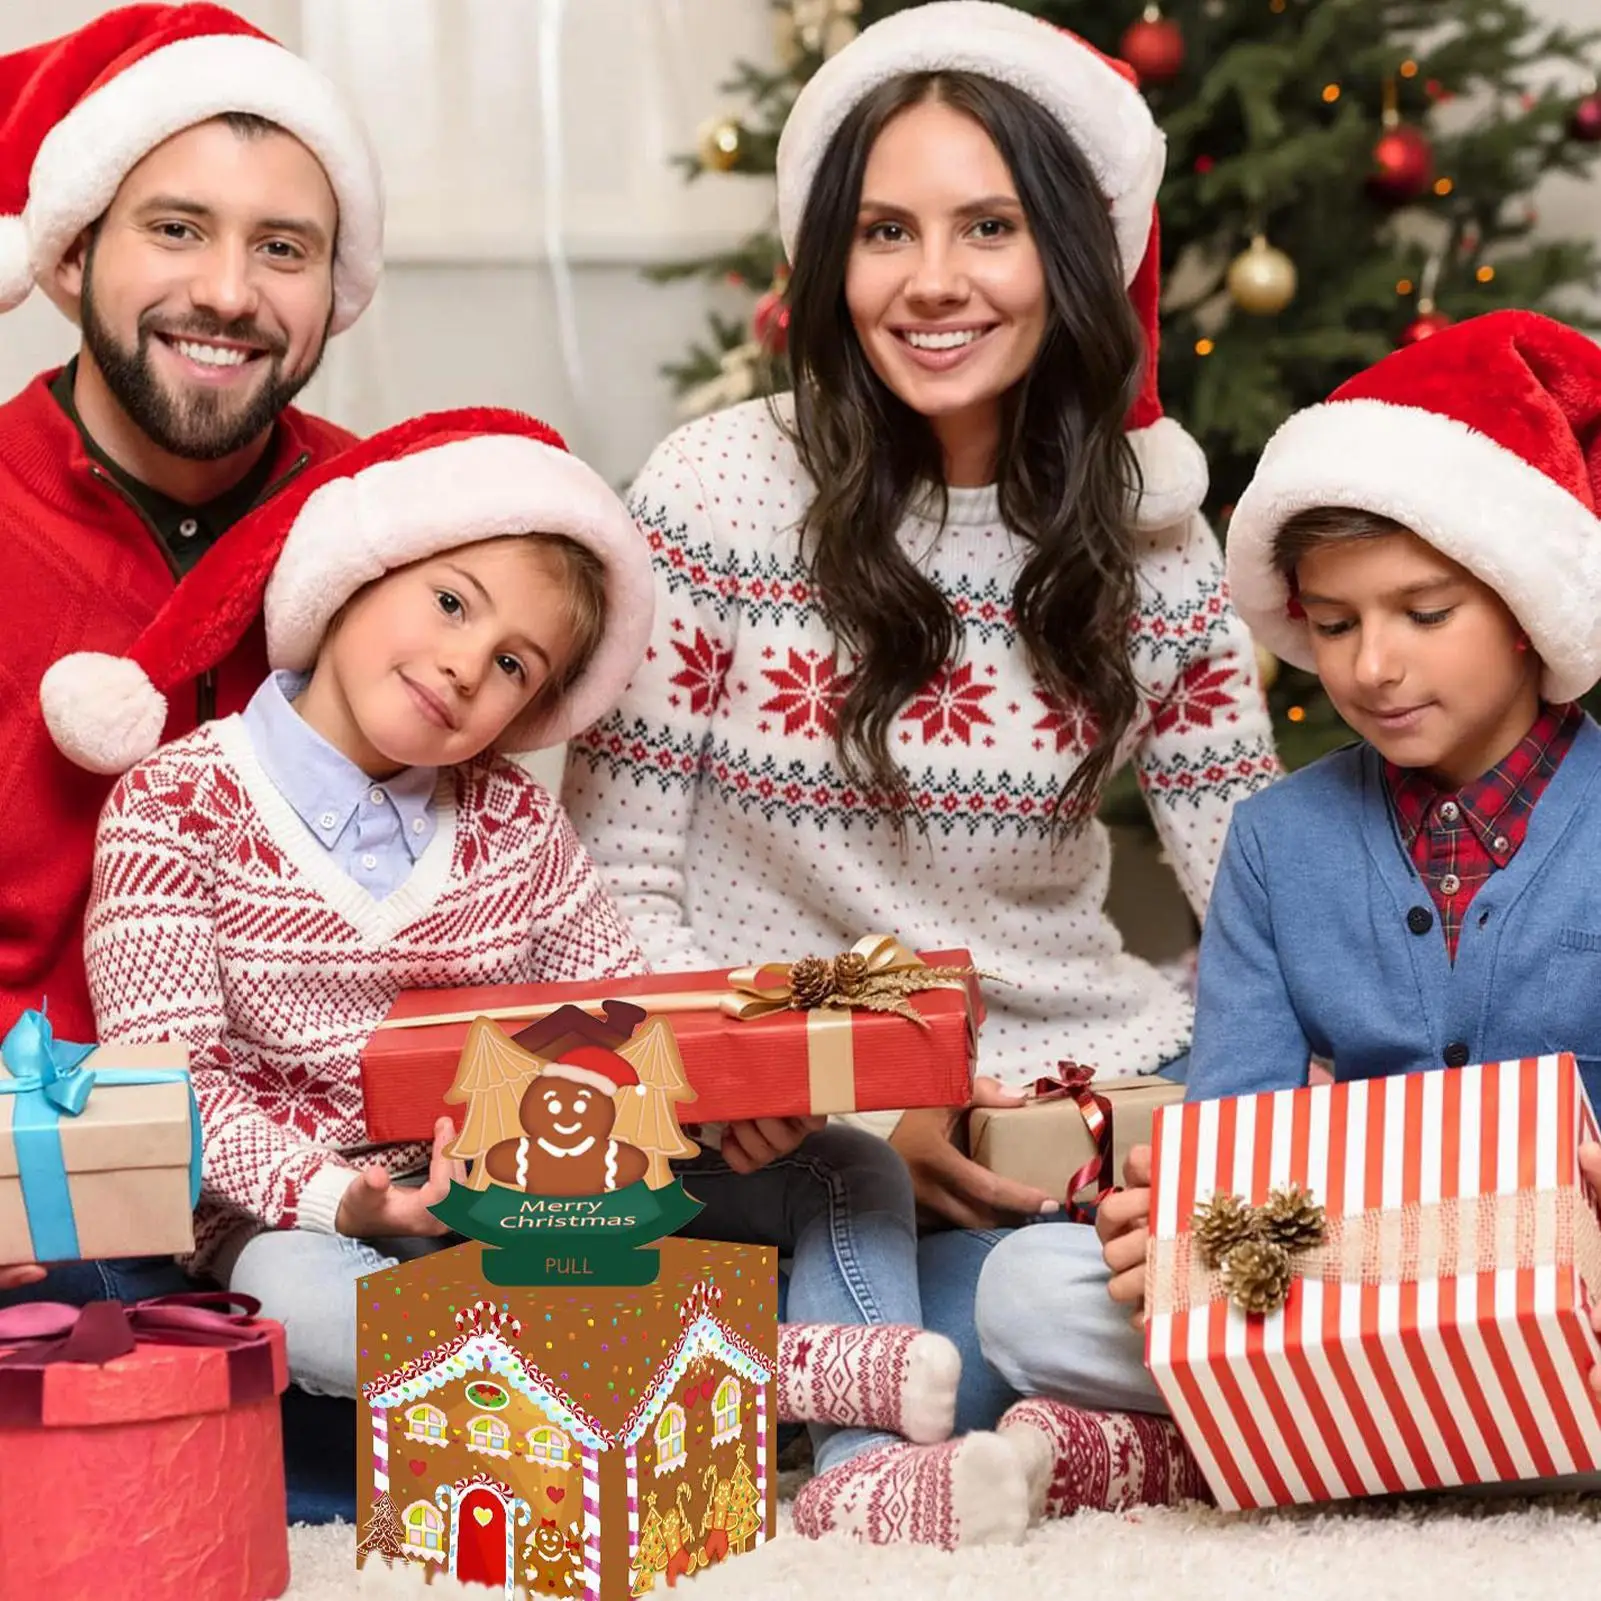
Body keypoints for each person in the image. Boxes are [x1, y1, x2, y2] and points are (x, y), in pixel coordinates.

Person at [49, 411, 1034, 1549]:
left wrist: (722, 1115)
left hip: (529, 1191)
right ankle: (779, 1366)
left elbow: (625, 1023)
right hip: (309, 1223)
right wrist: (347, 1196)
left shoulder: (512, 819)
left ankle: (863, 1473)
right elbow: (170, 1087)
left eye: (516, 662)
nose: (469, 661)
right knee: (295, 1309)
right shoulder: (176, 804)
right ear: (356, 576)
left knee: (843, 1165)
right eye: (453, 602)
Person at [560, 0, 1277, 1533]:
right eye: (886, 230)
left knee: (1014, 1305)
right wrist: (806, 1098)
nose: (933, 282)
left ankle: (921, 1402)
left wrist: (1126, 1130)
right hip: (766, 1115)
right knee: (691, 1267)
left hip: (1045, 1101)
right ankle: (908, 1401)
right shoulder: (715, 492)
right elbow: (615, 869)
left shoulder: (1157, 538)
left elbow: (1264, 895)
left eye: (989, 228)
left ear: (1069, 257)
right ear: (831, 260)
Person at [975, 309, 1601, 1494]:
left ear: (1526, 612)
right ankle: (1468, 1439)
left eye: (1422, 613)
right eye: (1333, 623)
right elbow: (1239, 1118)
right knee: (1027, 1293)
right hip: (1335, 1275)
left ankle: (1312, 1441)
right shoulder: (1275, 841)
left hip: (1575, 1274)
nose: (1371, 665)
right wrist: (1176, 1222)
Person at [0, 3, 384, 1307]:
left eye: (282, 248)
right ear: (68, 257)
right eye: (176, 229)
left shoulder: (397, 530)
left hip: (340, 1179)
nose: (227, 292)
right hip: (41, 1182)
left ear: (334, 290)